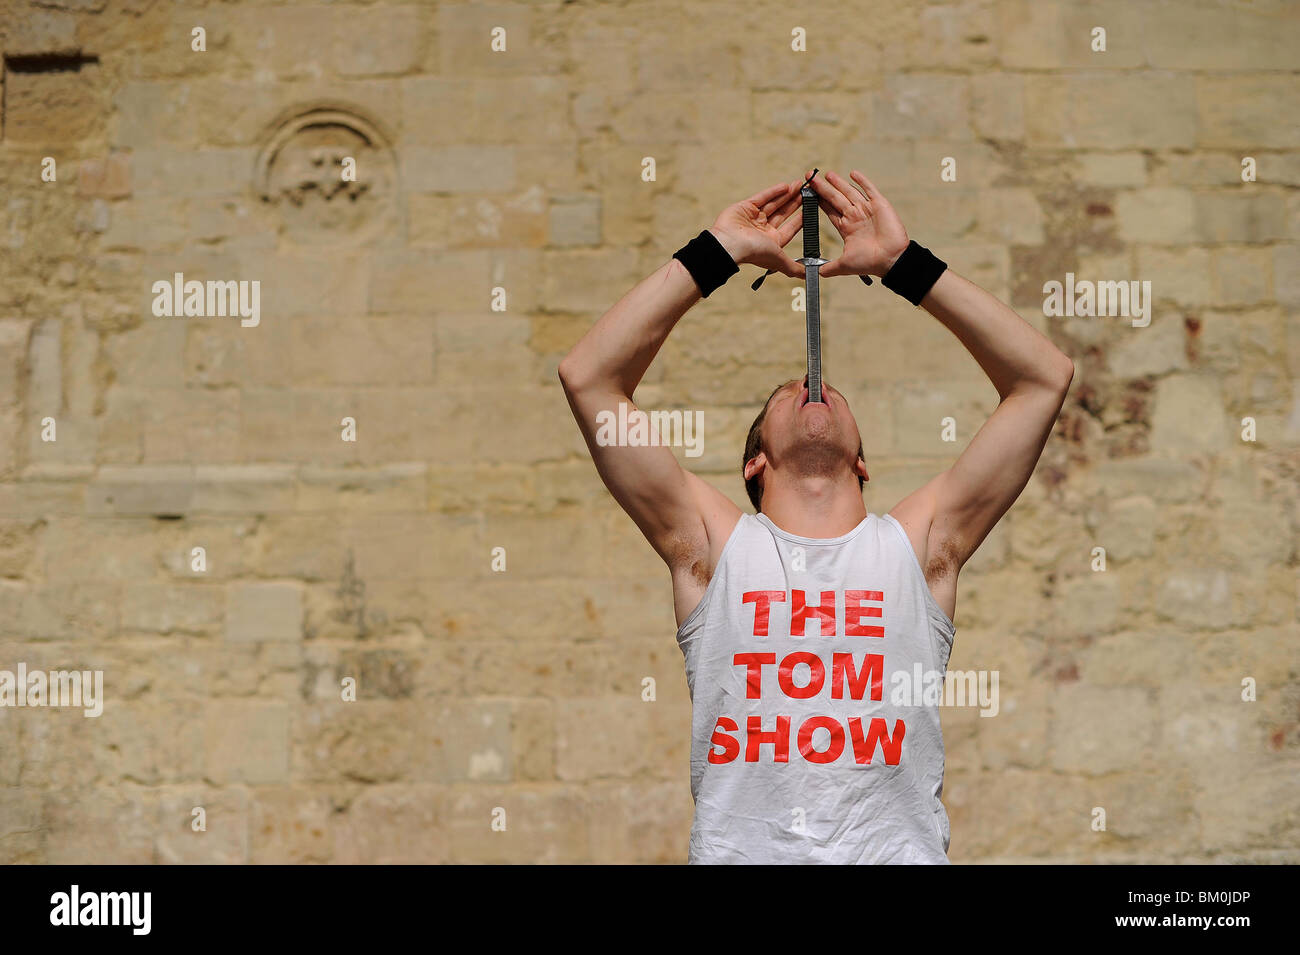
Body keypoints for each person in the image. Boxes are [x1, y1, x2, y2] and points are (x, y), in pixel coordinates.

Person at [558, 169, 1074, 864]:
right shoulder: (712, 546)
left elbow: (1044, 378)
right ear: (755, 465)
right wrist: (718, 249)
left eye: (834, 392)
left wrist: (904, 264)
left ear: (862, 462)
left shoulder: (919, 545)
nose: (812, 386)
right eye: (785, 395)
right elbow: (588, 376)